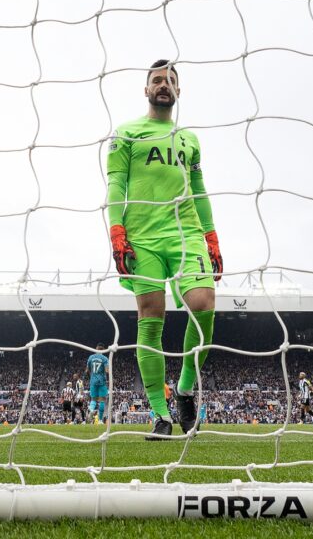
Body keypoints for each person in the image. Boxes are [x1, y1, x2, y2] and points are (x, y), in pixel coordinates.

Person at [106, 59, 223, 440]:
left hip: (186, 233)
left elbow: (199, 190)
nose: (163, 85)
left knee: (203, 302)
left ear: (178, 90)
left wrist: (211, 235)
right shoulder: (126, 133)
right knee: (150, 316)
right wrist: (117, 230)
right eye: (157, 80)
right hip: (143, 236)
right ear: (146, 89)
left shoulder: (189, 140)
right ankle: (160, 413)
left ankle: (185, 390)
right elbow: (116, 184)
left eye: (170, 80)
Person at [85, 344, 110, 424]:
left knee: (93, 399)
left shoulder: (91, 357)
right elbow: (107, 371)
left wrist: (90, 377)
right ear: (103, 350)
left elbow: (87, 371)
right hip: (102, 382)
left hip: (93, 381)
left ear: (96, 349)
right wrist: (109, 379)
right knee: (102, 400)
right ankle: (100, 420)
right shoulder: (104, 358)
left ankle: (91, 409)